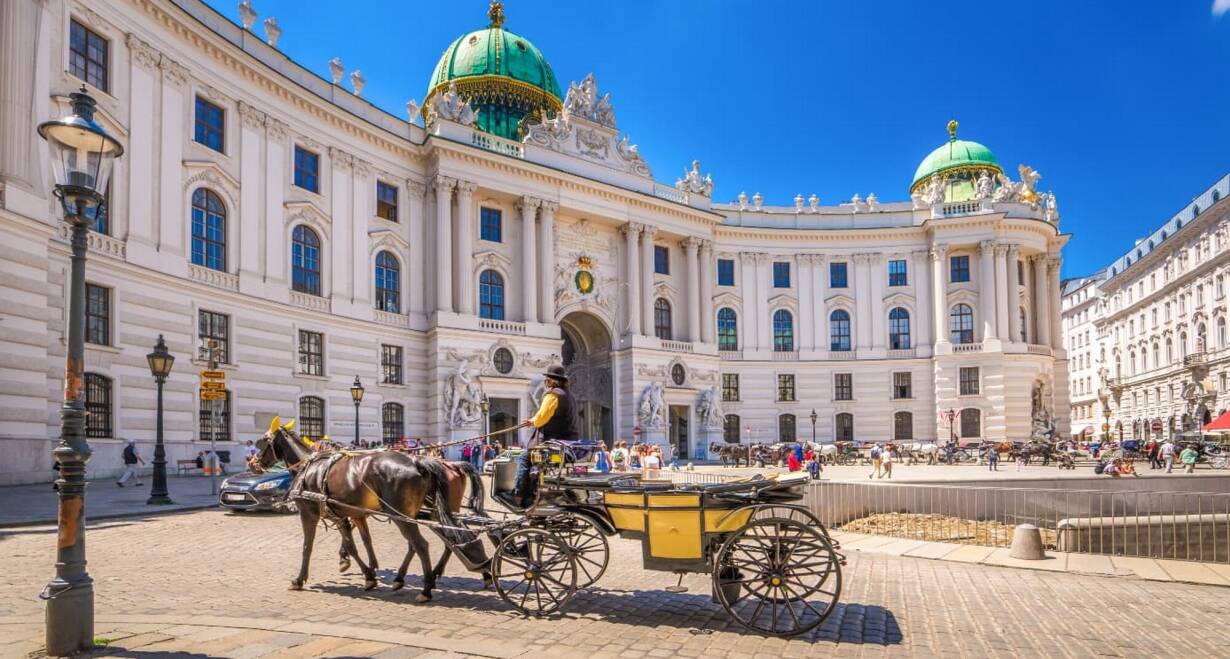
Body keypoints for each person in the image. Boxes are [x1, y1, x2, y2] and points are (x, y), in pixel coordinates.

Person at [516, 364, 580, 507]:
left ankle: (519, 495)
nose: (545, 382)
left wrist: (532, 421)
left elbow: (540, 419)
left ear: (551, 381)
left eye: (547, 379)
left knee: (523, 458)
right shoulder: (570, 396)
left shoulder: (553, 395)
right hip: (568, 443)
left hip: (553, 443)